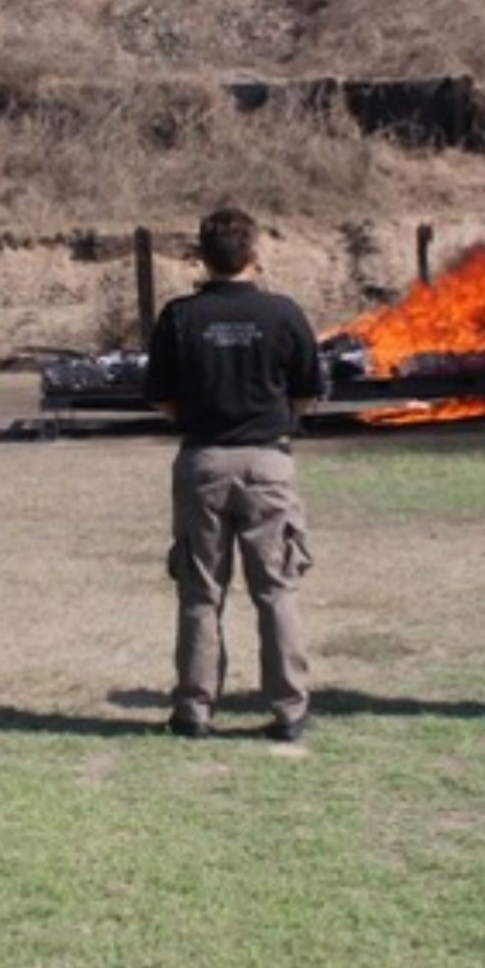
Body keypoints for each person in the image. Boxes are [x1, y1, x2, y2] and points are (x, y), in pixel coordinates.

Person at [144, 208, 322, 743]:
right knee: (277, 590)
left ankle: (193, 710)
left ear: (201, 256)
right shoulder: (283, 313)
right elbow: (310, 390)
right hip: (269, 460)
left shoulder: (179, 316)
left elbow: (162, 398)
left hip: (202, 462)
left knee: (200, 593)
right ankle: (289, 710)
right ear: (254, 252)